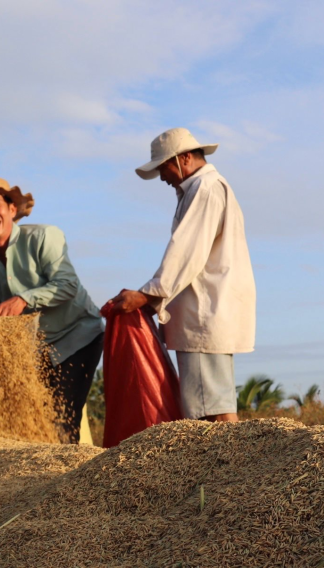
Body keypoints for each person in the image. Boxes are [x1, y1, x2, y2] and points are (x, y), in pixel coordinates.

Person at [104, 128, 256, 422]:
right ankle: (232, 464)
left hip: (202, 312)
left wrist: (148, 294)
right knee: (214, 400)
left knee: (208, 409)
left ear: (184, 158)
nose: (162, 177)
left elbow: (187, 251)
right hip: (209, 310)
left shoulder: (205, 188)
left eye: (164, 168)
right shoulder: (207, 187)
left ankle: (226, 466)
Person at [0, 176, 104, 443]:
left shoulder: (43, 237)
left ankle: (68, 478)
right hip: (36, 352)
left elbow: (67, 286)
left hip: (77, 335)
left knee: (62, 418)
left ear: (12, 210)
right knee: (34, 421)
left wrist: (23, 299)